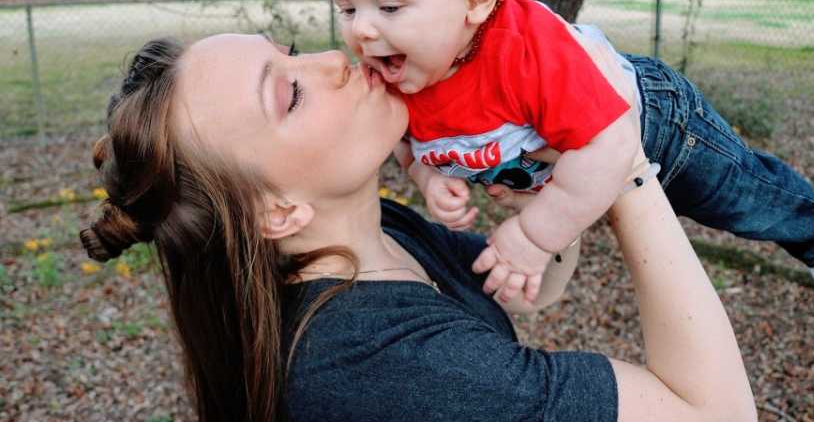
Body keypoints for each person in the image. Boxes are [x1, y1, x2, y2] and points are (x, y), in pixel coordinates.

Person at [80, 34, 757, 421]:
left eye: (289, 52)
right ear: (276, 211)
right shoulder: (386, 367)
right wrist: (623, 160)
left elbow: (531, 288)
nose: (333, 58)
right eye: (289, 93)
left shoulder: (368, 235)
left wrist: (552, 192)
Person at [321, 0, 814, 302]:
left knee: (735, 197)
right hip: (571, 174)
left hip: (653, 121)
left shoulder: (525, 51)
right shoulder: (399, 76)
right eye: (346, 9)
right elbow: (408, 146)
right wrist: (429, 179)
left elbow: (608, 146)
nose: (362, 30)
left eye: (388, 7)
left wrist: (533, 235)